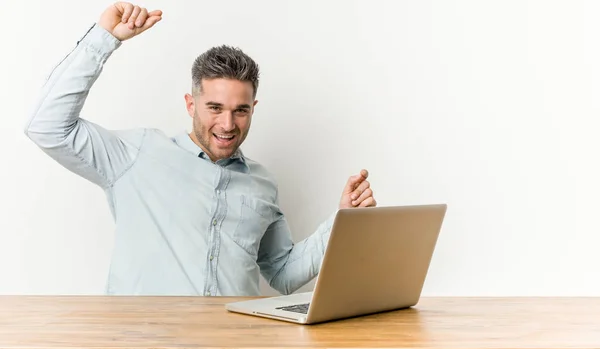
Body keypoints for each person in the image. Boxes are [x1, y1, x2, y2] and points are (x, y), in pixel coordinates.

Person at [24, 2, 377, 296]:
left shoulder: (262, 183)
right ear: (191, 104)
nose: (227, 125)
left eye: (240, 110)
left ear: (254, 108)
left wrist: (342, 220)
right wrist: (104, 39)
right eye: (215, 108)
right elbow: (46, 126)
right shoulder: (137, 155)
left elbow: (283, 274)